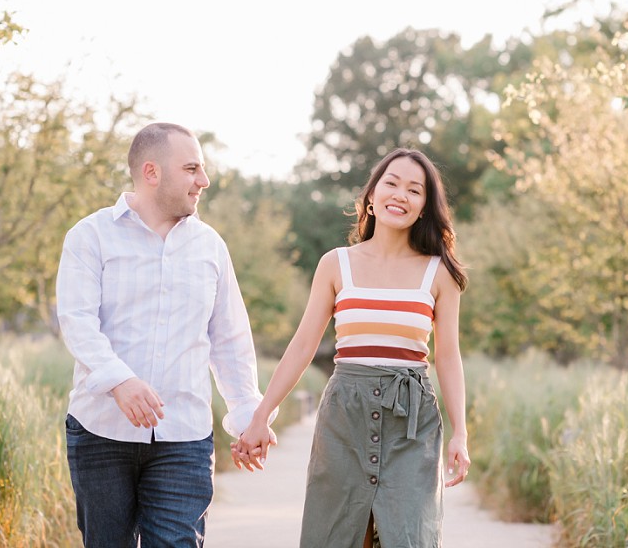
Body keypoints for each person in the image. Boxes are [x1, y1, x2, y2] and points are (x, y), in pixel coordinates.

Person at [234, 147, 471, 547]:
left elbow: (448, 356)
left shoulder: (440, 273)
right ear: (372, 197)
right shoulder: (335, 264)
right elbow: (303, 344)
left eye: (414, 190)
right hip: (345, 418)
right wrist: (261, 416)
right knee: (335, 535)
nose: (401, 195)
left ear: (424, 207)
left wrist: (460, 433)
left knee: (411, 537)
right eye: (391, 184)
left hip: (412, 424)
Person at [56, 122, 275, 547]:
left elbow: (229, 339)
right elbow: (78, 321)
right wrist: (120, 380)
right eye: (192, 169)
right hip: (100, 432)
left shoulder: (211, 247)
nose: (204, 181)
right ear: (151, 172)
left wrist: (249, 416)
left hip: (185, 438)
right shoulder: (90, 236)